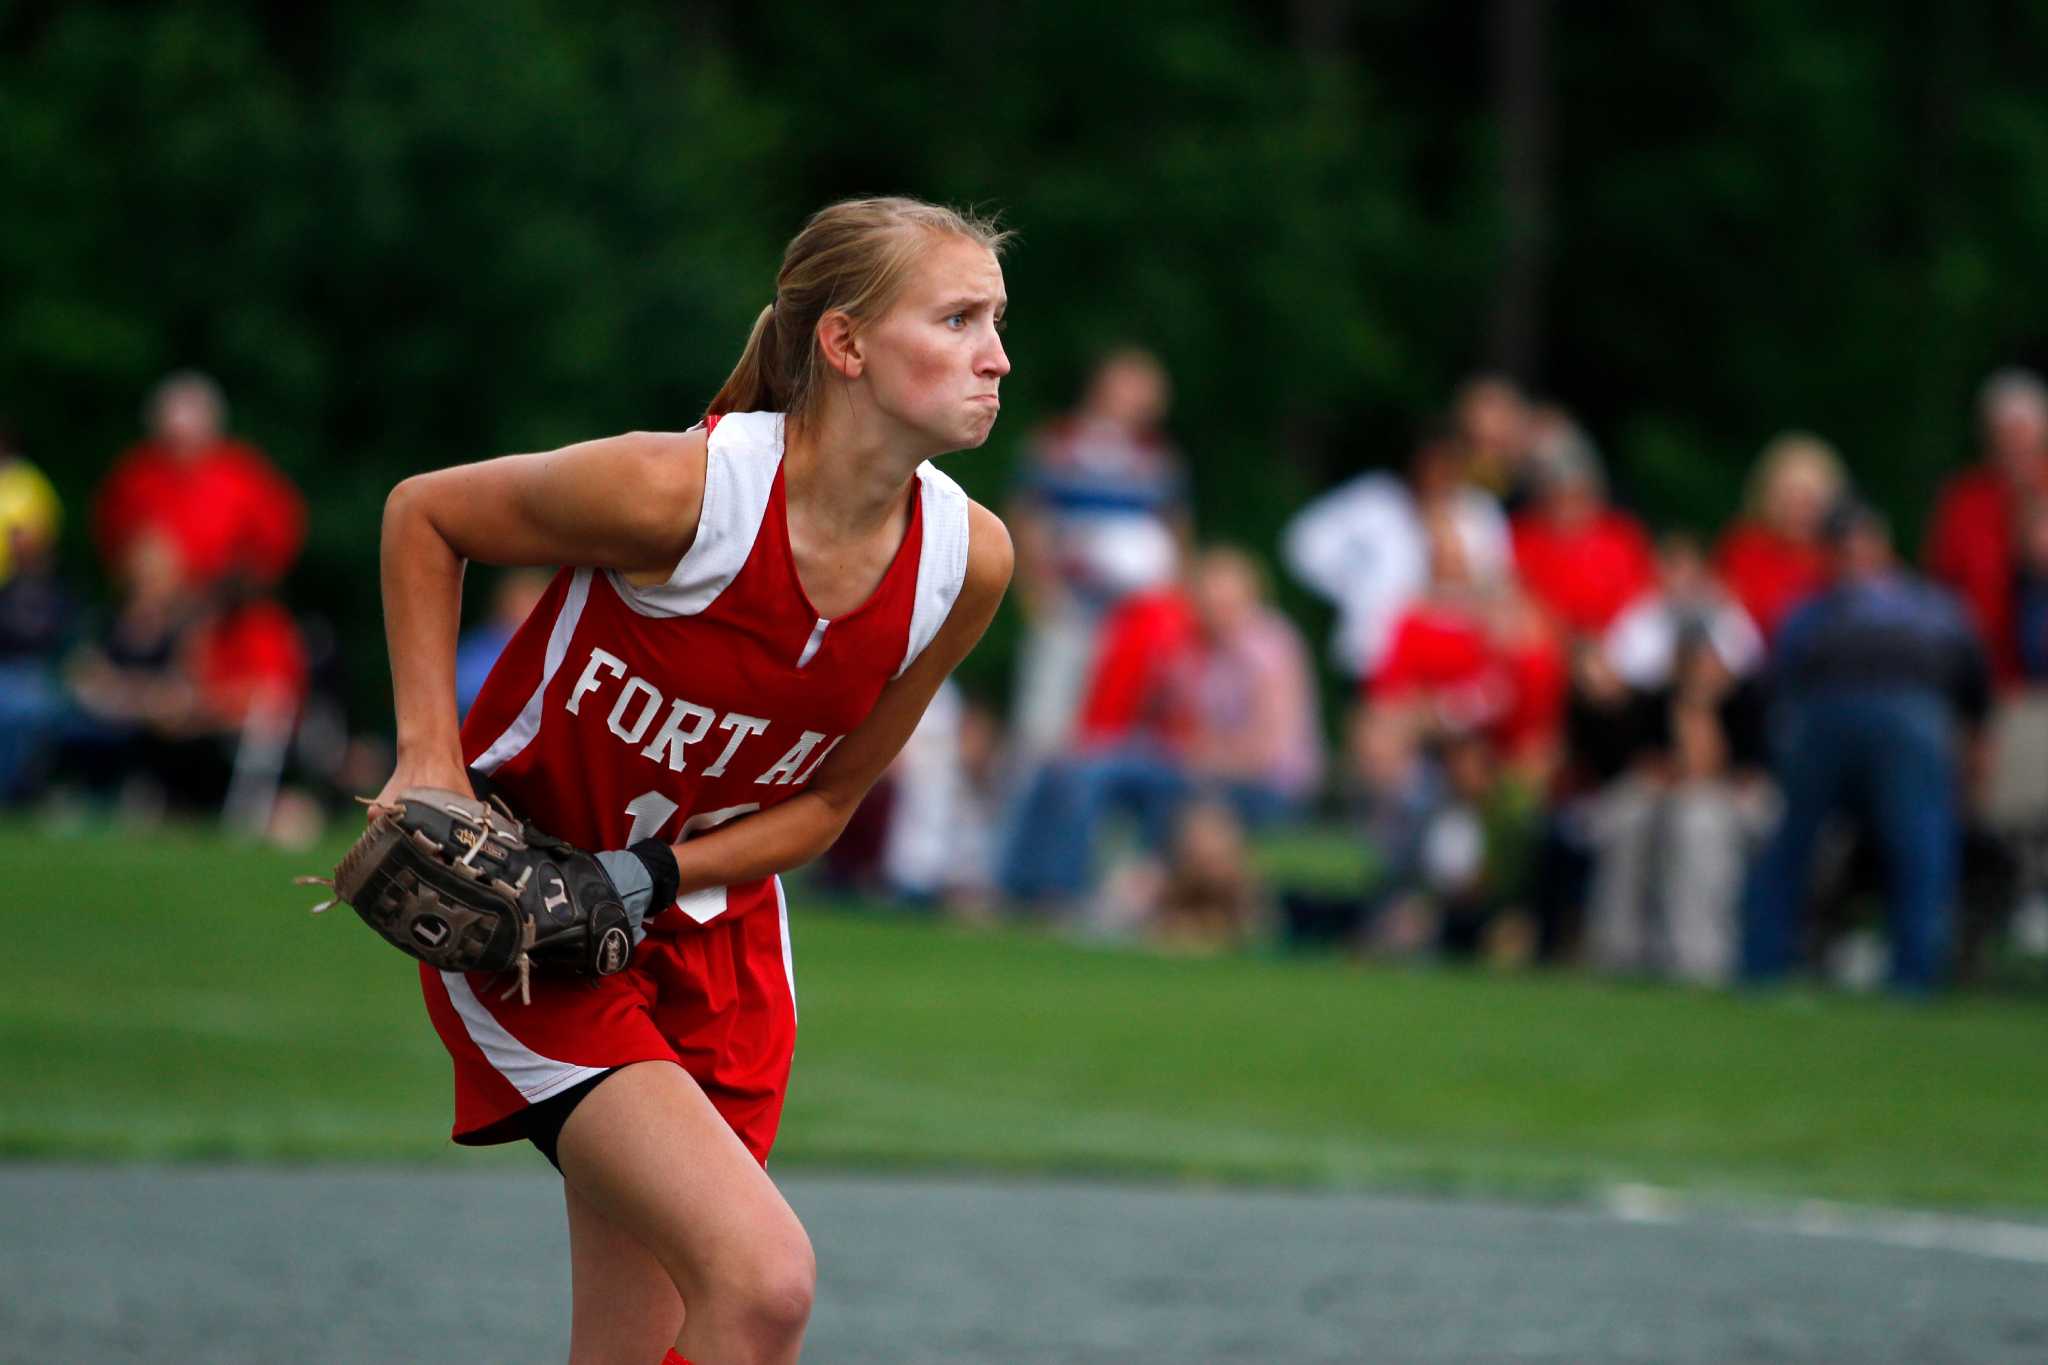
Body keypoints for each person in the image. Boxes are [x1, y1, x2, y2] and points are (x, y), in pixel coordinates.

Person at [373, 197, 1014, 1365]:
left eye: (998, 321)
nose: (997, 356)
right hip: (534, 921)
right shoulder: (689, 494)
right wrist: (430, 762)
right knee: (761, 1283)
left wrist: (652, 873)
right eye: (959, 317)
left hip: (713, 947)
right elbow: (424, 516)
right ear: (845, 344)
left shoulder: (964, 561)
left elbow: (823, 806)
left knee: (652, 1339)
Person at [1741, 501, 1990, 993]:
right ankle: (1904, 976)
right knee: (1906, 847)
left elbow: (1777, 686)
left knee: (1900, 846)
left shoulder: (1823, 611)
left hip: (1880, 721)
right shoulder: (1927, 605)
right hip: (1876, 724)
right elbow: (1974, 682)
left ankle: (1772, 967)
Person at [1006, 347, 1187, 763]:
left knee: (1114, 731)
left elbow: (1175, 532)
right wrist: (1037, 591)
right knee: (1045, 726)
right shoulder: (1059, 446)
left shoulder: (1157, 459)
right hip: (1069, 604)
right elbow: (1027, 518)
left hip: (1134, 617)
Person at [1282, 417, 1511, 680]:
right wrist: (1358, 587)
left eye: (1446, 465)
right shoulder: (1377, 500)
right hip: (1387, 652)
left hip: (1460, 651)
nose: (1436, 474)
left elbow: (1496, 579)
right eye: (1430, 464)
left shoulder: (1478, 510)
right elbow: (1305, 544)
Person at [1925, 368, 2048, 684]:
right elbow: (1941, 577)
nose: (2015, 444)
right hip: (1982, 654)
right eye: (2005, 433)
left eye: (2023, 432)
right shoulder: (1966, 498)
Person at [1713, 431, 1846, 643]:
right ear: (1765, 497)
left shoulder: (1840, 553)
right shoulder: (1744, 547)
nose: (1798, 509)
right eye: (1787, 497)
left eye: (1808, 500)